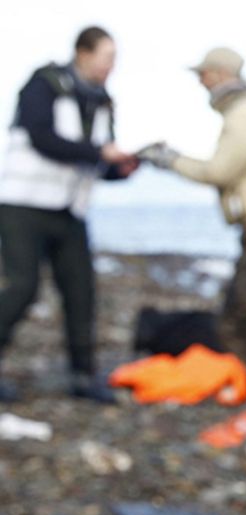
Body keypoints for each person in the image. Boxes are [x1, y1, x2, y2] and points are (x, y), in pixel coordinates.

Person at [140, 47, 246, 402]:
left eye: (204, 74)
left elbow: (219, 171)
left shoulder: (245, 113)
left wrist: (169, 160)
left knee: (235, 321)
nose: (201, 81)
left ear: (221, 73)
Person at [0, 26, 137, 403]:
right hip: (23, 206)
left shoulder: (104, 101)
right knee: (21, 287)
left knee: (82, 291)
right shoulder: (44, 84)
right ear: (83, 52)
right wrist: (98, 155)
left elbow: (96, 160)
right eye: (107, 57)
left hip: (70, 210)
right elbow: (40, 136)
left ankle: (83, 375)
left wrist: (119, 169)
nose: (111, 66)